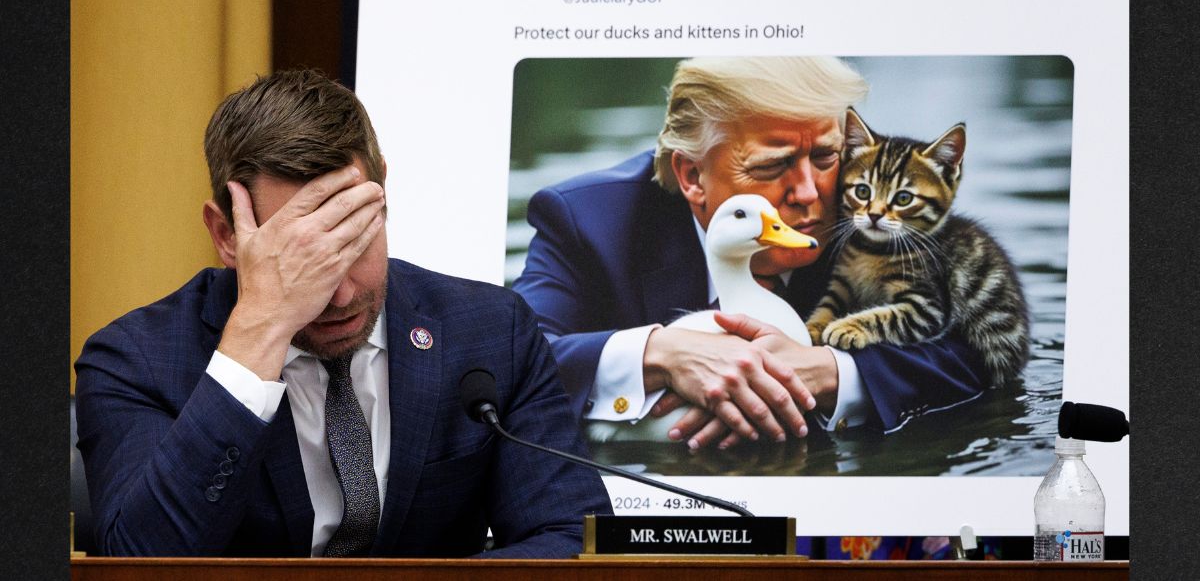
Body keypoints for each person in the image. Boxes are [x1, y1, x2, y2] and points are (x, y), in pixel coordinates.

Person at [74, 70, 612, 557]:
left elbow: (569, 537)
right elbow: (139, 562)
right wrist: (260, 331)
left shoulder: (494, 334)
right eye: (302, 255)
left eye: (353, 238)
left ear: (383, 195)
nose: (339, 294)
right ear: (226, 234)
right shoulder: (134, 361)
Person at [513, 57, 990, 449]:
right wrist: (661, 354)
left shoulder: (866, 209)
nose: (809, 193)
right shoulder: (586, 220)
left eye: (825, 157)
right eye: (774, 164)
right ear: (692, 178)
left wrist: (834, 373)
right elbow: (513, 359)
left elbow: (975, 351)